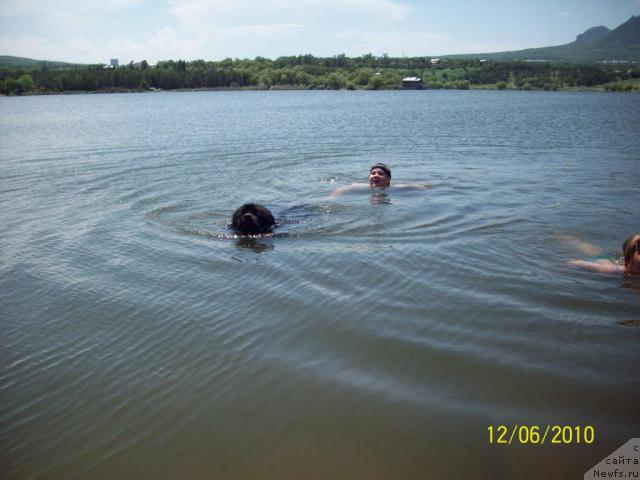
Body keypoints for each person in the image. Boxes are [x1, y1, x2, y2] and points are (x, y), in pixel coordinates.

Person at [328, 163, 430, 198]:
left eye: (380, 174)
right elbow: (343, 189)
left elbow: (420, 187)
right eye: (373, 173)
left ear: (388, 179)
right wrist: (331, 197)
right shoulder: (360, 186)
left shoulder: (397, 188)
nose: (375, 175)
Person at [568, 233, 640, 275]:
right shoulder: (611, 269)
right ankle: (569, 239)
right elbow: (574, 263)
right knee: (591, 250)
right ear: (628, 260)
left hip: (619, 258)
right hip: (607, 260)